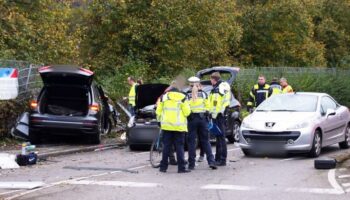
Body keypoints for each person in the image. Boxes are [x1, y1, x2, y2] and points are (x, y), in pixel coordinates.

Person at [156, 80, 191, 173]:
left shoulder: (164, 97)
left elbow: (158, 111)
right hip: (179, 127)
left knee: (166, 147)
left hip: (166, 126)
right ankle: (181, 168)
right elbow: (187, 112)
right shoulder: (183, 97)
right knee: (179, 148)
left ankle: (163, 167)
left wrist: (159, 121)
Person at [186, 76, 217, 170]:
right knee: (205, 141)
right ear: (199, 84)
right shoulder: (204, 94)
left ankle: (191, 164)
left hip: (191, 120)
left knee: (191, 142)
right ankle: (211, 162)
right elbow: (208, 107)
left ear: (189, 85)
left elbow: (186, 109)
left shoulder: (187, 95)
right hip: (203, 119)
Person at [208, 72, 231, 166]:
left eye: (211, 80)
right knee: (218, 138)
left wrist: (221, 112)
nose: (210, 81)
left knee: (221, 138)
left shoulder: (222, 87)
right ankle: (218, 158)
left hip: (219, 116)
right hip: (215, 116)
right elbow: (213, 103)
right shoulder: (215, 88)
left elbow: (225, 102)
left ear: (214, 79)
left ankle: (222, 159)